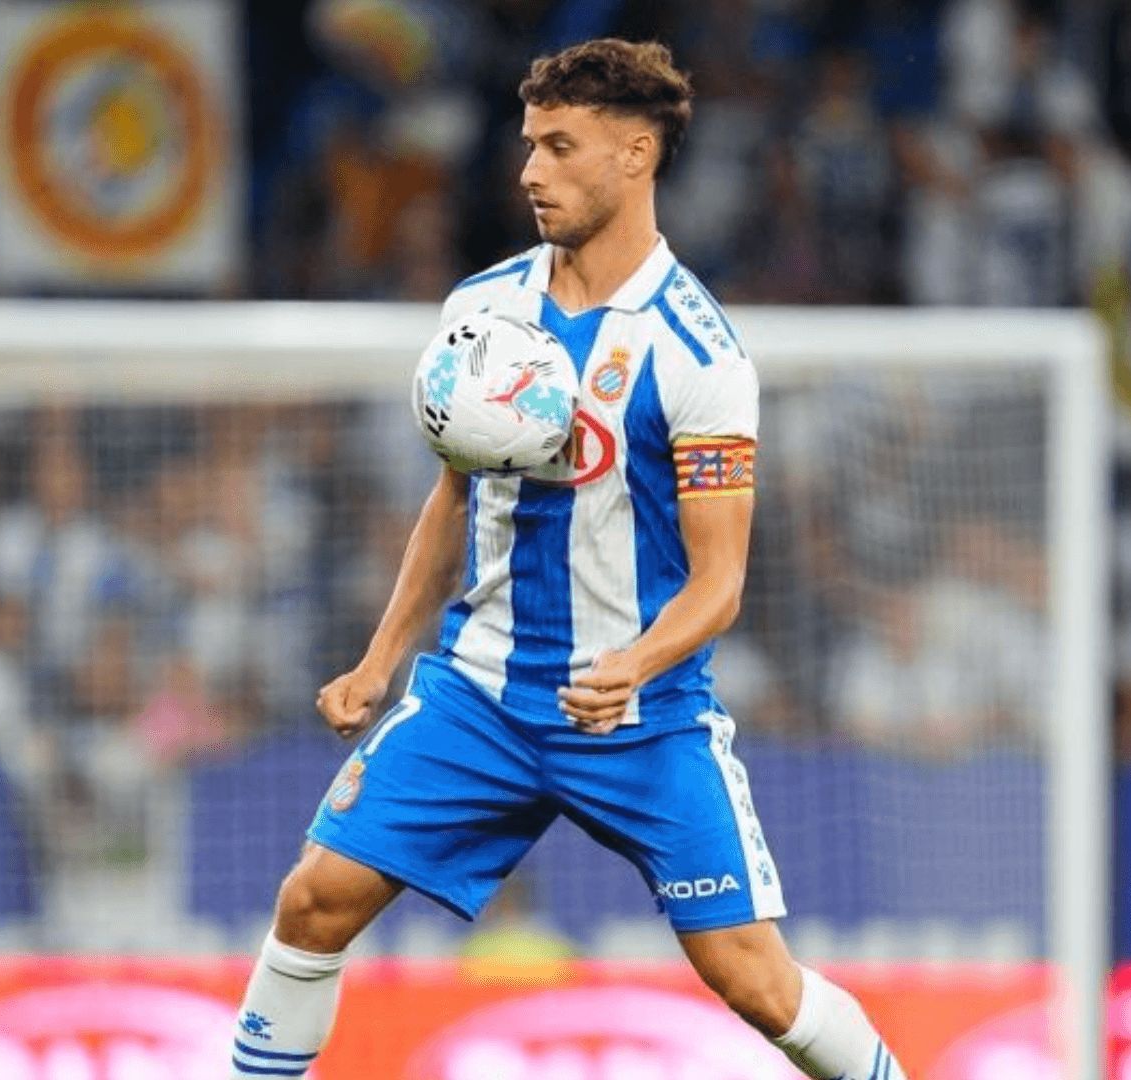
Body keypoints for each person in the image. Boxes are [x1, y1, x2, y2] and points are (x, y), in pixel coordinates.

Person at [227, 38, 907, 1080]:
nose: (528, 172)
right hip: (481, 694)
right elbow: (450, 500)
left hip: (637, 715)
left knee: (754, 980)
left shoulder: (700, 354)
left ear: (634, 156)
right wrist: (380, 661)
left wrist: (632, 665)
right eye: (528, 144)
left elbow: (721, 583)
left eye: (558, 147)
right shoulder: (481, 310)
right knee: (312, 900)